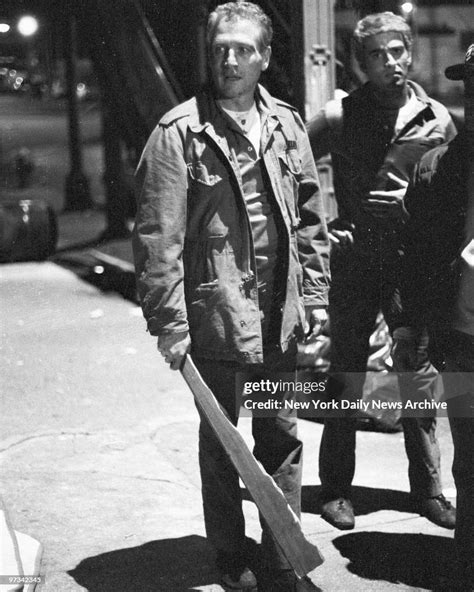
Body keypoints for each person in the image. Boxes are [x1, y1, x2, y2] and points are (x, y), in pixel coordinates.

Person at [132, 3, 330, 590]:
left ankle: (280, 550)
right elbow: (156, 238)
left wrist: (314, 294)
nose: (231, 59)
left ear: (265, 57)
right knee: (222, 445)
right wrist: (169, 324)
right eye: (221, 48)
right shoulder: (178, 133)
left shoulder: (289, 124)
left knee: (281, 437)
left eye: (244, 48)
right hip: (215, 320)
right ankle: (228, 553)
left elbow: (313, 213)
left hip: (279, 315)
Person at [306, 11, 457, 531]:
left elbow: (453, 195)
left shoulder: (437, 118)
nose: (390, 62)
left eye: (398, 51)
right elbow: (295, 169)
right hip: (354, 260)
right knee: (345, 372)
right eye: (377, 55)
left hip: (410, 261)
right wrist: (322, 226)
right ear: (359, 61)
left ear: (409, 52)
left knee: (416, 373)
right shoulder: (340, 115)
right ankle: (336, 489)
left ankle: (429, 490)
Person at [402, 44, 474, 591]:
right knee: (469, 459)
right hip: (463, 336)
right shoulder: (438, 168)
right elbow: (419, 253)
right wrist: (416, 324)